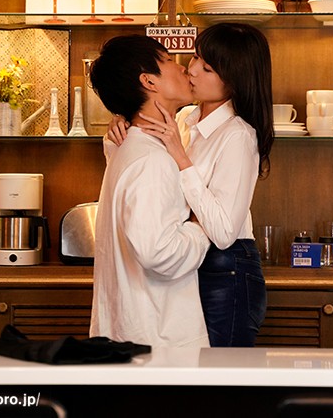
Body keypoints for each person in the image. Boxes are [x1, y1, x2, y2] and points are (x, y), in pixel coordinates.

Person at [108, 22, 274, 347]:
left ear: (235, 80)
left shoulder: (238, 135)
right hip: (188, 261)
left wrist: (181, 158)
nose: (192, 69)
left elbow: (223, 233)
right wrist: (122, 126)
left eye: (207, 68)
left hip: (227, 270)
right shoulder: (184, 119)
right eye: (196, 57)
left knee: (218, 372)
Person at [87, 34, 211, 348]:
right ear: (148, 81)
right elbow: (160, 253)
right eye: (168, 60)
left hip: (133, 335)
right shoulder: (152, 160)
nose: (184, 68)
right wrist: (200, 227)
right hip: (156, 343)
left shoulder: (129, 147)